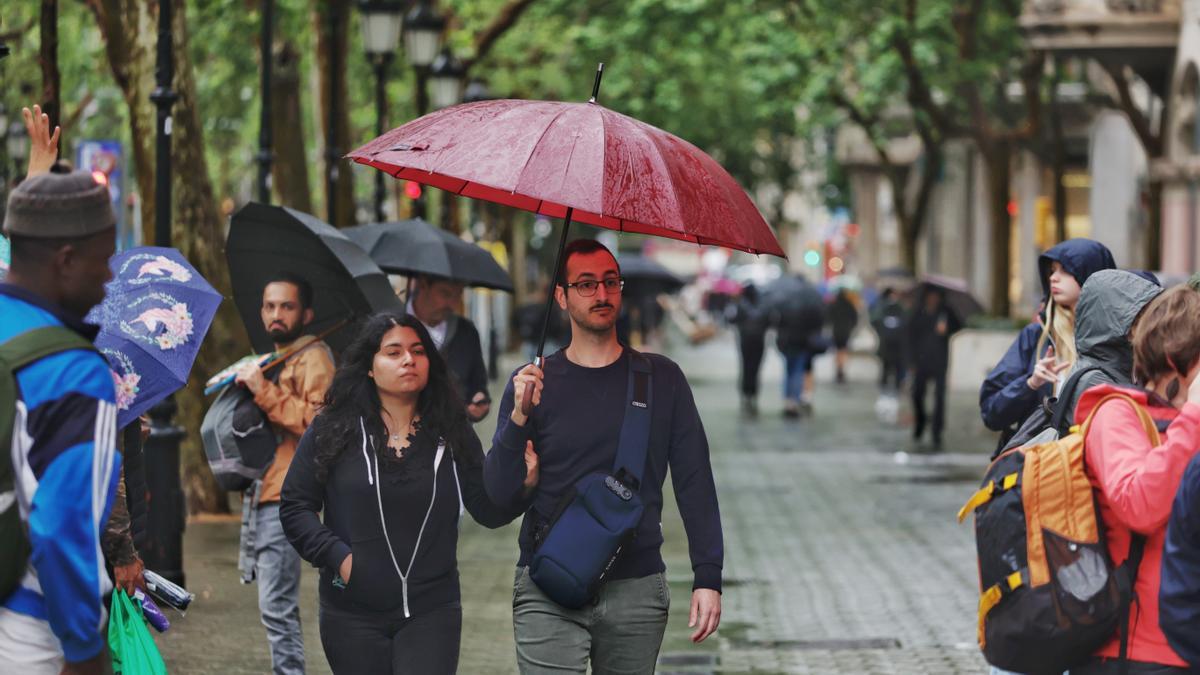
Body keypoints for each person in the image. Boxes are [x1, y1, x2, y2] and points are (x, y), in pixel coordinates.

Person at [484, 239, 723, 673]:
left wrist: (708, 576)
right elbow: (497, 496)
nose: (602, 294)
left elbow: (694, 481)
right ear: (562, 296)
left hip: (636, 587)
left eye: (610, 282)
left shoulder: (662, 379)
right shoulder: (533, 384)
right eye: (587, 284)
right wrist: (518, 418)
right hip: (547, 582)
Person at [280, 313, 536, 673]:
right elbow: (295, 506)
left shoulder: (451, 429)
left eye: (418, 351)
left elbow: (487, 508)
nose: (408, 360)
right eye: (393, 352)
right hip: (351, 614)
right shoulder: (333, 426)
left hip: (433, 611)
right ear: (370, 366)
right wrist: (340, 557)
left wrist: (523, 486)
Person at [0, 166, 120, 674]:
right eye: (104, 260)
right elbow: (61, 524)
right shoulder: (74, 372)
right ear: (67, 261)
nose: (110, 277)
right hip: (28, 629)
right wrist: (85, 649)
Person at [1071, 285, 1200, 674]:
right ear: (1176, 359)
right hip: (1138, 651)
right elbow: (1139, 505)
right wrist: (1194, 415)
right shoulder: (1117, 415)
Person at [234, 272, 335, 675]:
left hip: (287, 494)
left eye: (287, 306)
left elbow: (320, 424)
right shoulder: (274, 358)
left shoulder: (315, 357)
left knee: (277, 607)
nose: (276, 314)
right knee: (272, 606)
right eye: (269, 306)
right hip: (263, 489)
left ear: (306, 312)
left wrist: (263, 390)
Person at [979, 239, 1115, 448]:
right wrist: (1030, 384)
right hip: (1042, 466)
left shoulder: (1116, 341)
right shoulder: (1036, 337)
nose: (1053, 277)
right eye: (1052, 270)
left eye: (1065, 270)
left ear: (1091, 274)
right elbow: (991, 413)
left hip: (1097, 464)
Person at [1056, 269, 1162, 423]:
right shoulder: (1095, 382)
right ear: (1123, 323)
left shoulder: (1118, 368)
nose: (1154, 325)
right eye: (1145, 317)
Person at [407, 274, 491, 423]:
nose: (452, 304)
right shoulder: (392, 328)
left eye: (458, 295)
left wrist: (479, 400)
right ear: (422, 284)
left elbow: (478, 383)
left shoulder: (466, 331)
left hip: (454, 436)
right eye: (445, 293)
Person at [908, 287, 961, 449]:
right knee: (917, 394)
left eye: (935, 296)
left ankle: (937, 429)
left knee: (939, 397)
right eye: (930, 296)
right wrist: (911, 361)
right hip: (921, 361)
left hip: (939, 361)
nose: (933, 299)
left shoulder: (946, 312)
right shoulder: (918, 312)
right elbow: (909, 335)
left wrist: (947, 330)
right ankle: (921, 421)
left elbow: (958, 325)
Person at [773, 274, 826, 418]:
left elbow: (777, 321)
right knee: (798, 370)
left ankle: (788, 401)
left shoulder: (784, 298)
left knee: (789, 370)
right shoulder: (811, 298)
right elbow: (819, 319)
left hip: (786, 341)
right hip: (803, 341)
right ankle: (794, 401)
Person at [727, 284, 770, 417]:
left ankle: (746, 394)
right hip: (759, 341)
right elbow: (769, 321)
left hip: (745, 341)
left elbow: (732, 320)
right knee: (756, 368)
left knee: (745, 367)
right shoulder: (763, 306)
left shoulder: (740, 304)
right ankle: (754, 394)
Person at [870, 287, 907, 393]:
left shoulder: (900, 308)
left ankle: (896, 383)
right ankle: (886, 382)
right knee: (887, 364)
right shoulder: (882, 307)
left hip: (897, 343)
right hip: (887, 342)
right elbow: (875, 320)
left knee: (896, 364)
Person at [828, 289, 859, 384]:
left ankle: (838, 367)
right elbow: (855, 319)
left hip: (836, 331)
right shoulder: (850, 305)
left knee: (837, 350)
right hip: (846, 331)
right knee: (844, 349)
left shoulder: (833, 305)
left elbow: (828, 318)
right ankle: (842, 368)